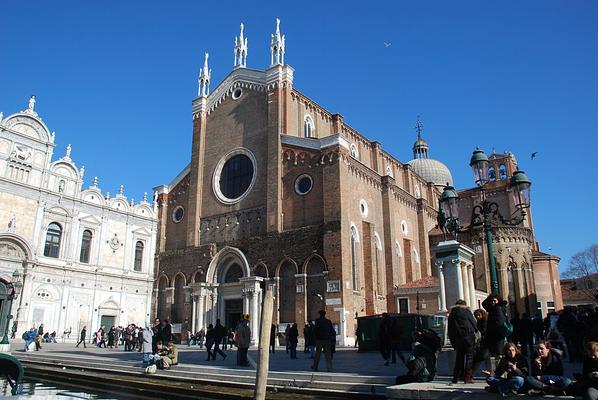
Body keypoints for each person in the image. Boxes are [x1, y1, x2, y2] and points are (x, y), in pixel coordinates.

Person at [447, 300, 477, 384]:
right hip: (468, 336)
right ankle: (467, 378)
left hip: (457, 338)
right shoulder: (467, 311)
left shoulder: (452, 314)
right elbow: (474, 323)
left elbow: (450, 329)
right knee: (469, 357)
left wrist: (453, 341)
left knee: (459, 357)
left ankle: (455, 377)